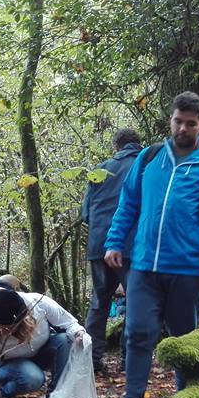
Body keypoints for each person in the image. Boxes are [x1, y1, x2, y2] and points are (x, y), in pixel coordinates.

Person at [101, 91, 199, 398]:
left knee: (183, 340)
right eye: (178, 121)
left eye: (191, 123)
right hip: (144, 266)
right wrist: (115, 241)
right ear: (170, 120)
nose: (183, 128)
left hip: (187, 269)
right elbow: (128, 204)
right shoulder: (149, 159)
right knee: (138, 332)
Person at [81, 128, 142, 373]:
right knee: (136, 302)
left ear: (116, 147)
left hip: (99, 245)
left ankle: (92, 360)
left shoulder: (99, 170)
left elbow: (85, 213)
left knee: (99, 303)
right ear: (137, 144)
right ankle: (130, 361)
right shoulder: (144, 165)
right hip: (132, 246)